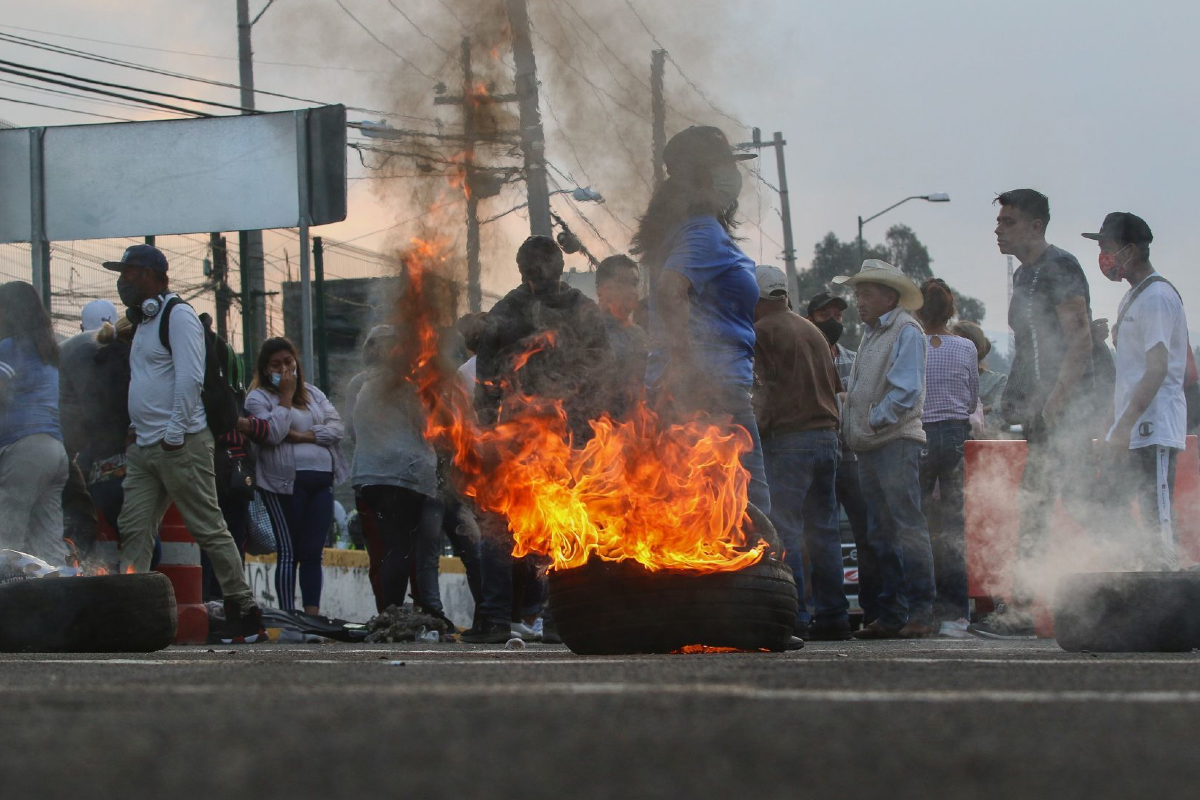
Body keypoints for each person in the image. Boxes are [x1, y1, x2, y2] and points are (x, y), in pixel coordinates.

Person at [104, 244, 265, 643]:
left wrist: (175, 431)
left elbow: (191, 378)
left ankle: (242, 607)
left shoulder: (178, 317)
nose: (123, 280)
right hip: (145, 448)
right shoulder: (143, 323)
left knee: (208, 527)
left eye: (132, 272)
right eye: (121, 273)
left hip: (181, 443)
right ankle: (133, 614)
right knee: (135, 529)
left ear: (158, 277)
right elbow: (146, 381)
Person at [462, 235, 611, 643]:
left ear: (559, 268)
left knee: (551, 524)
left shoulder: (574, 312)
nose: (538, 279)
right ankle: (512, 618)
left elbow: (603, 367)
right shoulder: (510, 313)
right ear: (522, 271)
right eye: (532, 272)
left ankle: (550, 617)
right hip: (526, 435)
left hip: (563, 435)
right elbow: (486, 381)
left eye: (542, 270)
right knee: (505, 526)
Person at [975, 189, 1097, 637]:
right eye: (999, 221)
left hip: (1067, 412)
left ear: (1035, 225)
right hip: (1038, 413)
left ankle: (1137, 580)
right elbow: (1029, 349)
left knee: (1079, 504)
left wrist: (1056, 404)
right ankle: (1024, 609)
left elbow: (1080, 339)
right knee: (1044, 506)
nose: (998, 229)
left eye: (1007, 221)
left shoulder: (1059, 266)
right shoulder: (1025, 276)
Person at [633, 125, 770, 514]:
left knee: (704, 513)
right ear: (705, 176)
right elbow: (671, 288)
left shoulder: (685, 231)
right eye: (725, 167)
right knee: (752, 513)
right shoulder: (703, 232)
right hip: (711, 391)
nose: (734, 177)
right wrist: (685, 362)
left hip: (704, 387)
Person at [833, 260, 936, 640]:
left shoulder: (904, 330)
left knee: (904, 528)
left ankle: (920, 611)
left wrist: (874, 419)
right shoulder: (877, 332)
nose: (859, 300)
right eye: (858, 293)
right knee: (882, 532)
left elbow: (906, 390)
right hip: (873, 445)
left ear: (888, 296)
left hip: (893, 441)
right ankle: (894, 612)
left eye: (866, 293)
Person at [1084, 212, 1188, 569]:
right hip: (1130, 428)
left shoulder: (1157, 296)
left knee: (1156, 515)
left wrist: (1125, 425)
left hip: (1154, 427)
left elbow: (1157, 368)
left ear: (1130, 249)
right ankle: (1135, 570)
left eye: (1107, 247)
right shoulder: (1132, 297)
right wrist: (1111, 425)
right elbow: (1127, 375)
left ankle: (1169, 589)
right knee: (1106, 502)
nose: (1103, 256)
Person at [753, 266, 850, 641]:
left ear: (756, 298)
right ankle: (835, 616)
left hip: (789, 440)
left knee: (786, 530)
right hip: (826, 439)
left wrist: (750, 433)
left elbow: (760, 393)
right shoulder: (813, 331)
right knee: (824, 532)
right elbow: (835, 389)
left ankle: (794, 615)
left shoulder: (762, 332)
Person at [245, 337, 348, 615]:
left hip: (321, 481)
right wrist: (286, 398)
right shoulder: (258, 398)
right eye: (276, 365)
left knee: (313, 552)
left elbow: (337, 429)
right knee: (289, 551)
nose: (284, 369)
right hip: (283, 484)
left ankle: (311, 616)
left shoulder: (314, 394)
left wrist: (301, 436)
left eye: (288, 362)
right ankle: (289, 616)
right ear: (266, 369)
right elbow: (274, 433)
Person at [807, 290, 881, 626]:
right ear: (811, 319)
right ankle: (828, 611)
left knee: (867, 534)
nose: (833, 322)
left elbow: (864, 401)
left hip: (853, 457)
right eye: (825, 316)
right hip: (820, 457)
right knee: (821, 536)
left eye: (838, 316)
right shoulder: (804, 357)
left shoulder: (855, 358)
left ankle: (874, 610)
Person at [915, 279, 979, 637]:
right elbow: (972, 401)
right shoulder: (966, 347)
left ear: (917, 310)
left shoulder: (911, 344)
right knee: (954, 527)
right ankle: (957, 615)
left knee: (918, 525)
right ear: (950, 311)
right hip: (955, 435)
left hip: (920, 434)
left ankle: (923, 609)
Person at [0, 281, 69, 564]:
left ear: (9, 312)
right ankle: (64, 600)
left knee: (6, 540)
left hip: (25, 450)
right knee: (48, 544)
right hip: (54, 451)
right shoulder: (47, 350)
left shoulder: (10, 348)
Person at [595, 254, 648, 417]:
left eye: (634, 284)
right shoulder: (588, 332)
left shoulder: (637, 334)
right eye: (623, 283)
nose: (631, 291)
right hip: (599, 433)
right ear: (601, 290)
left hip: (633, 429)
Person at [951, 321, 1009, 439]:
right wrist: (984, 409)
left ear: (977, 349)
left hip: (986, 448)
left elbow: (998, 415)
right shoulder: (946, 380)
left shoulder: (998, 381)